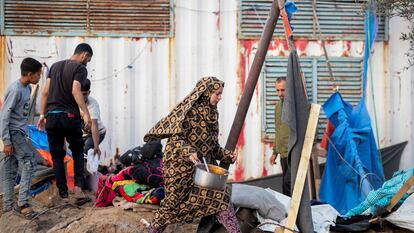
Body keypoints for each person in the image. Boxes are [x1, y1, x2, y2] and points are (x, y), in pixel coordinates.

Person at [144, 77, 240, 233]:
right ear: (206, 92)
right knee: (171, 206)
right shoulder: (188, 112)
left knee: (220, 198)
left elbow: (212, 147)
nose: (220, 98)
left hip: (202, 170)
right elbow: (176, 138)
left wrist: (227, 156)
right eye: (217, 94)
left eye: (221, 94)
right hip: (179, 169)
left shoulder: (211, 113)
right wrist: (189, 152)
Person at [37, 43, 93, 203]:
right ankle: (78, 189)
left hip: (52, 117)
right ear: (84, 55)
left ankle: (63, 195)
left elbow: (45, 92)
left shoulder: (54, 66)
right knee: (77, 150)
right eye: (88, 59)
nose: (87, 63)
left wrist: (42, 114)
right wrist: (87, 115)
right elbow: (76, 90)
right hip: (69, 116)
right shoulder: (80, 68)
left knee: (57, 156)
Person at [1, 57, 42, 218]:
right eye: (38, 75)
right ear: (29, 74)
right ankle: (23, 201)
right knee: (30, 161)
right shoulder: (16, 90)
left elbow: (20, 115)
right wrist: (6, 141)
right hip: (12, 132)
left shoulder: (26, 89)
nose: (39, 77)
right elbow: (4, 116)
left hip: (19, 133)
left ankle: (8, 207)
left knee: (10, 170)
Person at [269, 77, 291, 196]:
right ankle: (289, 213)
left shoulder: (295, 107)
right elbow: (278, 130)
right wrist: (274, 152)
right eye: (277, 90)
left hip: (293, 152)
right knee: (285, 185)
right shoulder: (277, 107)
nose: (279, 94)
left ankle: (296, 213)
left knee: (289, 183)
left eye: (283, 90)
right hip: (283, 153)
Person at [81, 79, 106, 157]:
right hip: (84, 133)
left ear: (89, 93)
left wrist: (96, 145)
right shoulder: (73, 101)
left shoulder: (93, 104)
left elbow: (94, 125)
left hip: (97, 132)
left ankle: (86, 168)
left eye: (85, 94)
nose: (82, 97)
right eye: (80, 94)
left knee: (86, 151)